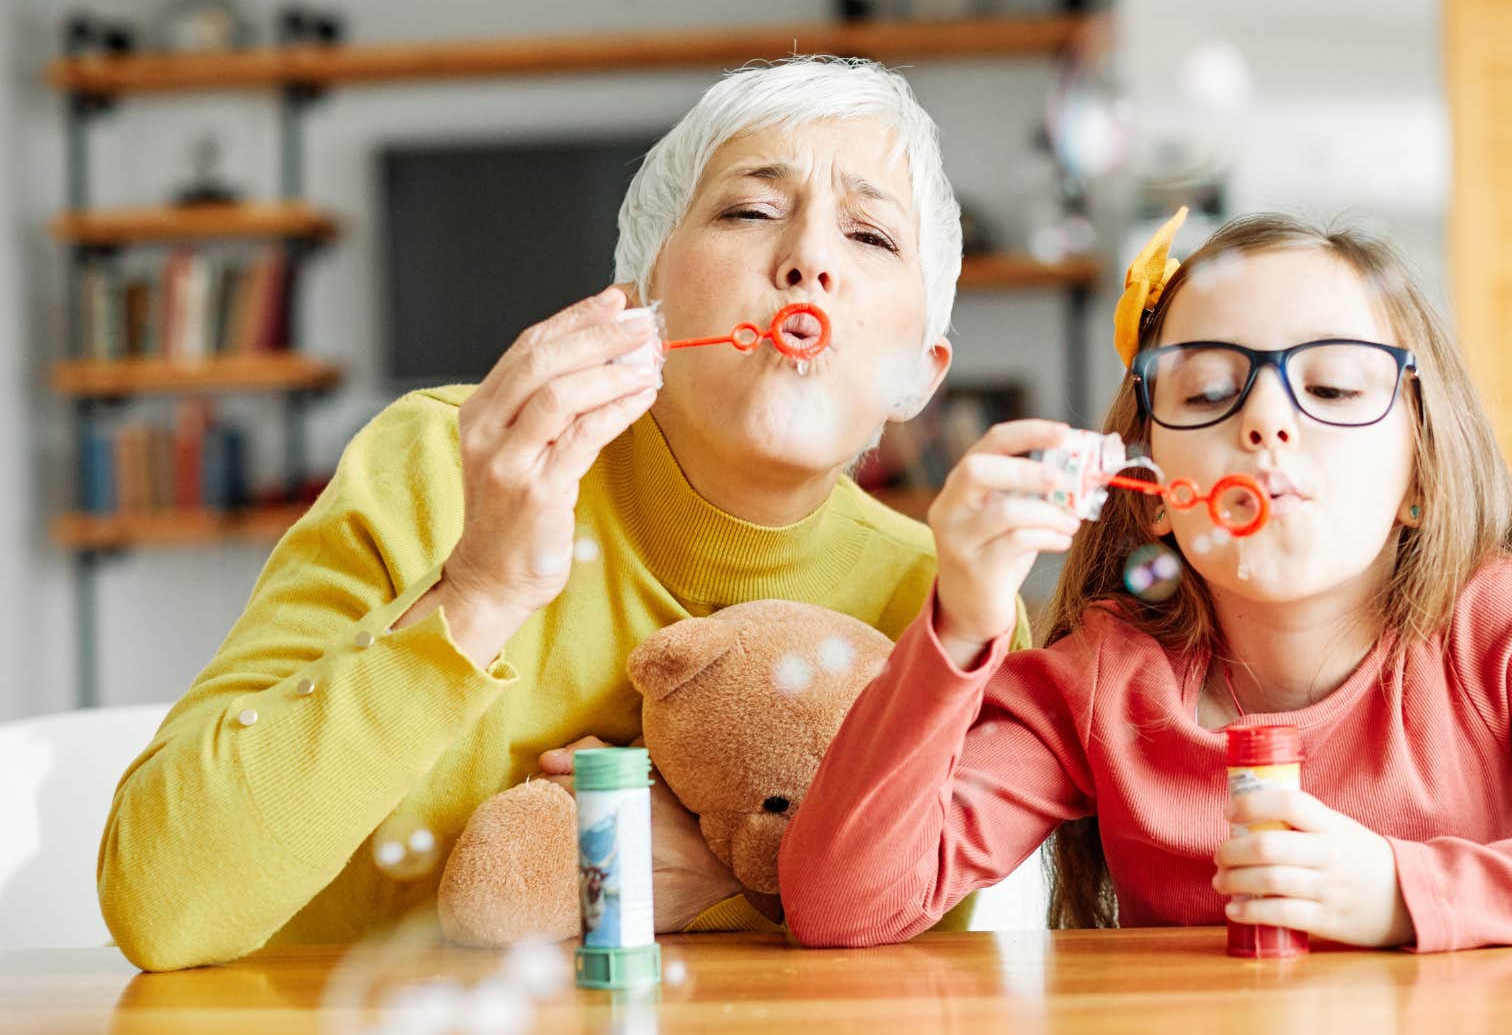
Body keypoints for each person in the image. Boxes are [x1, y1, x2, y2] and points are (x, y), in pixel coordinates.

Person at [97, 57, 1019, 972]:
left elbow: (908, 975)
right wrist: (481, 588)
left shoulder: (943, 605)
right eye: (749, 209)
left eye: (870, 237)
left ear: (921, 376)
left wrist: (728, 878)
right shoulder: (438, 467)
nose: (810, 258)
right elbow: (162, 902)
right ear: (637, 306)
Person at [779, 210, 1512, 950]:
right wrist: (961, 618)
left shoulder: (1492, 631)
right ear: (1147, 488)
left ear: (1420, 477)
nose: (1268, 421)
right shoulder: (1102, 680)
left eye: (1332, 385)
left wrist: (1406, 892)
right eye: (1212, 389)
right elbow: (843, 905)